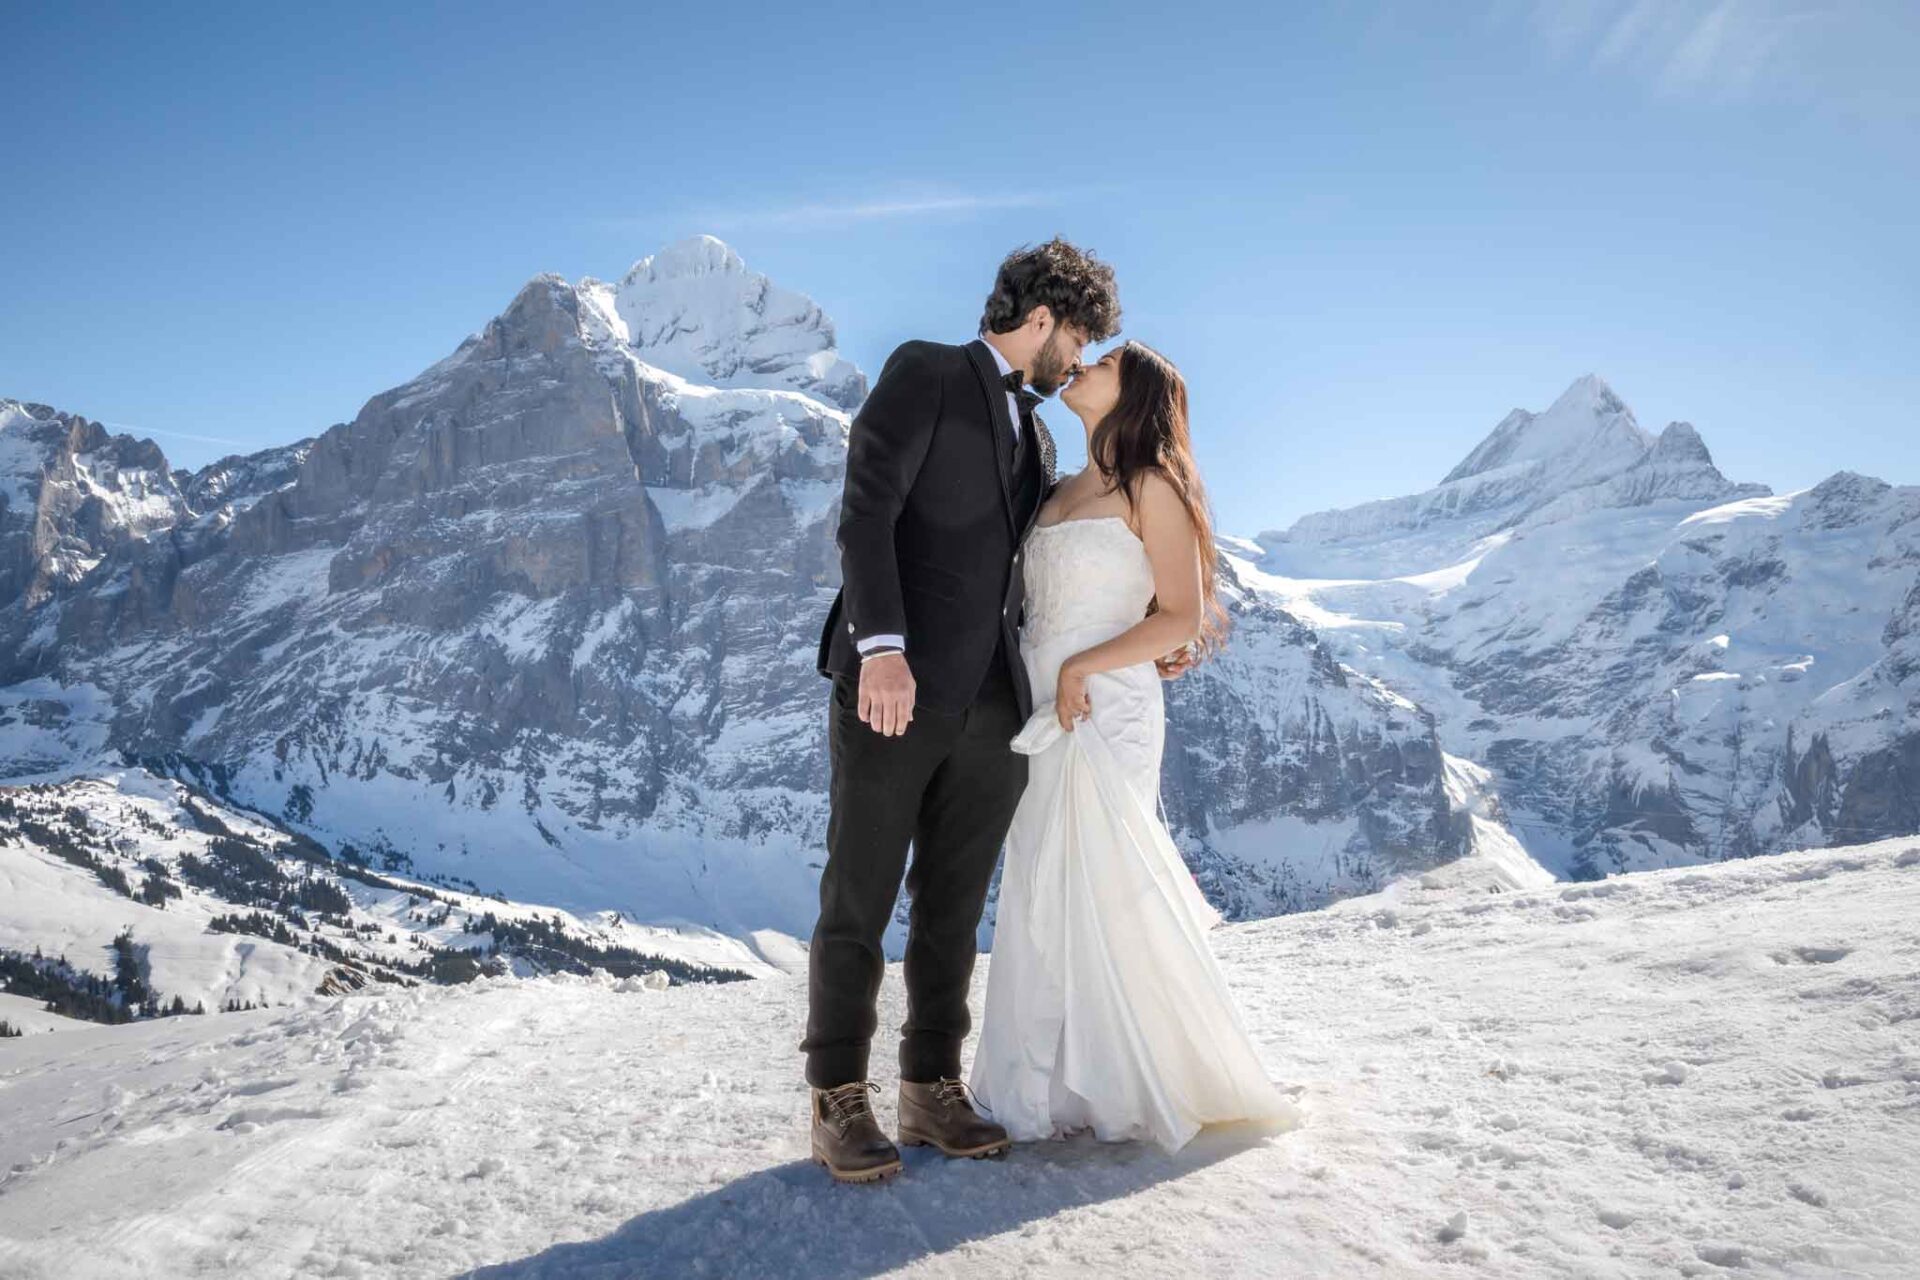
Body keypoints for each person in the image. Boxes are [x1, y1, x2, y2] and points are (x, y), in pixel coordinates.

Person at [804, 239, 1128, 1182]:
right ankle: (835, 1098)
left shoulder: (1041, 434)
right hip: (892, 687)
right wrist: (884, 649)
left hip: (995, 702)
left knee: (952, 904)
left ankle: (929, 1086)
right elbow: (866, 513)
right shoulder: (927, 371)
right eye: (1079, 336)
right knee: (858, 892)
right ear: (1041, 322)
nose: (1079, 354)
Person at [968, 340, 1301, 1154]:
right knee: (1044, 876)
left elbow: (1180, 617)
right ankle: (1051, 1085)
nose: (1082, 365)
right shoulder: (1058, 485)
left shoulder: (1154, 483)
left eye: (1106, 361)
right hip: (1040, 698)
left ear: (1139, 393)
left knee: (1106, 872)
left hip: (1106, 697)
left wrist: (1082, 663)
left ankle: (1145, 1072)